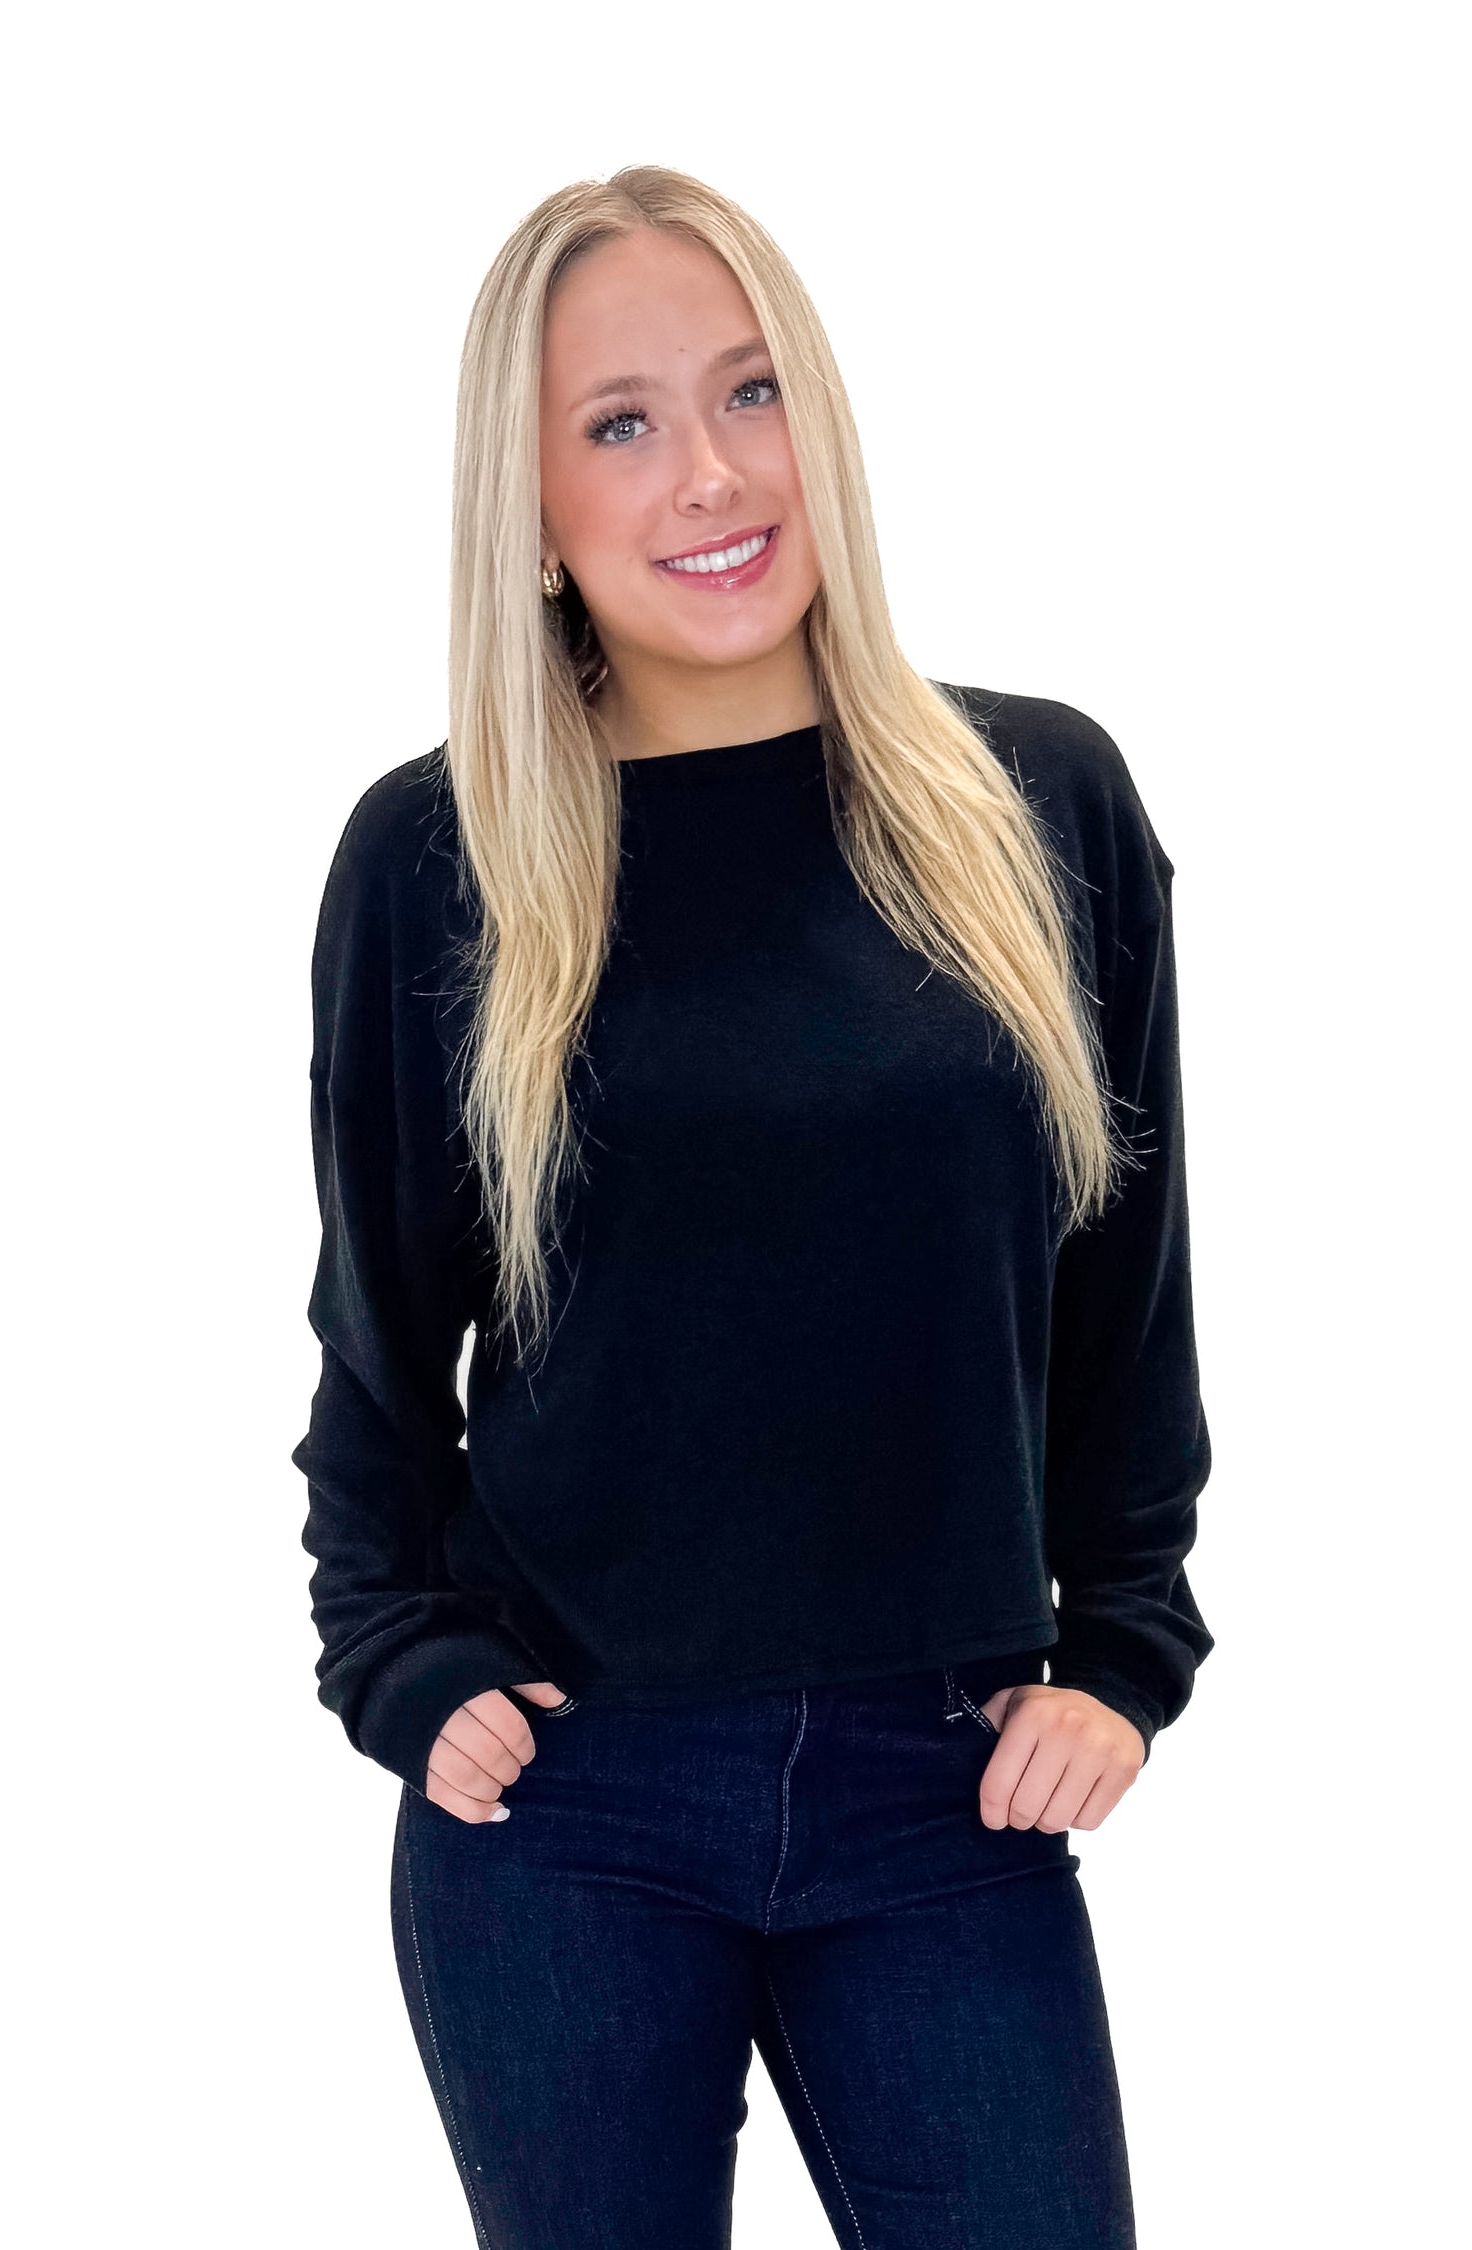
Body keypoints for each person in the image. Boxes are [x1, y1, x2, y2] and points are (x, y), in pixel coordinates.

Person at [291, 164, 1213, 2250]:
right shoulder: (440, 862)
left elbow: (1126, 1298)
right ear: (526, 503)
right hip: (569, 1810)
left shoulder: (1037, 806)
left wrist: (1126, 1648)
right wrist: (405, 1673)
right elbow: (376, 1349)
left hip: (948, 1789)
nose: (708, 472)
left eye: (751, 390)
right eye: (618, 422)